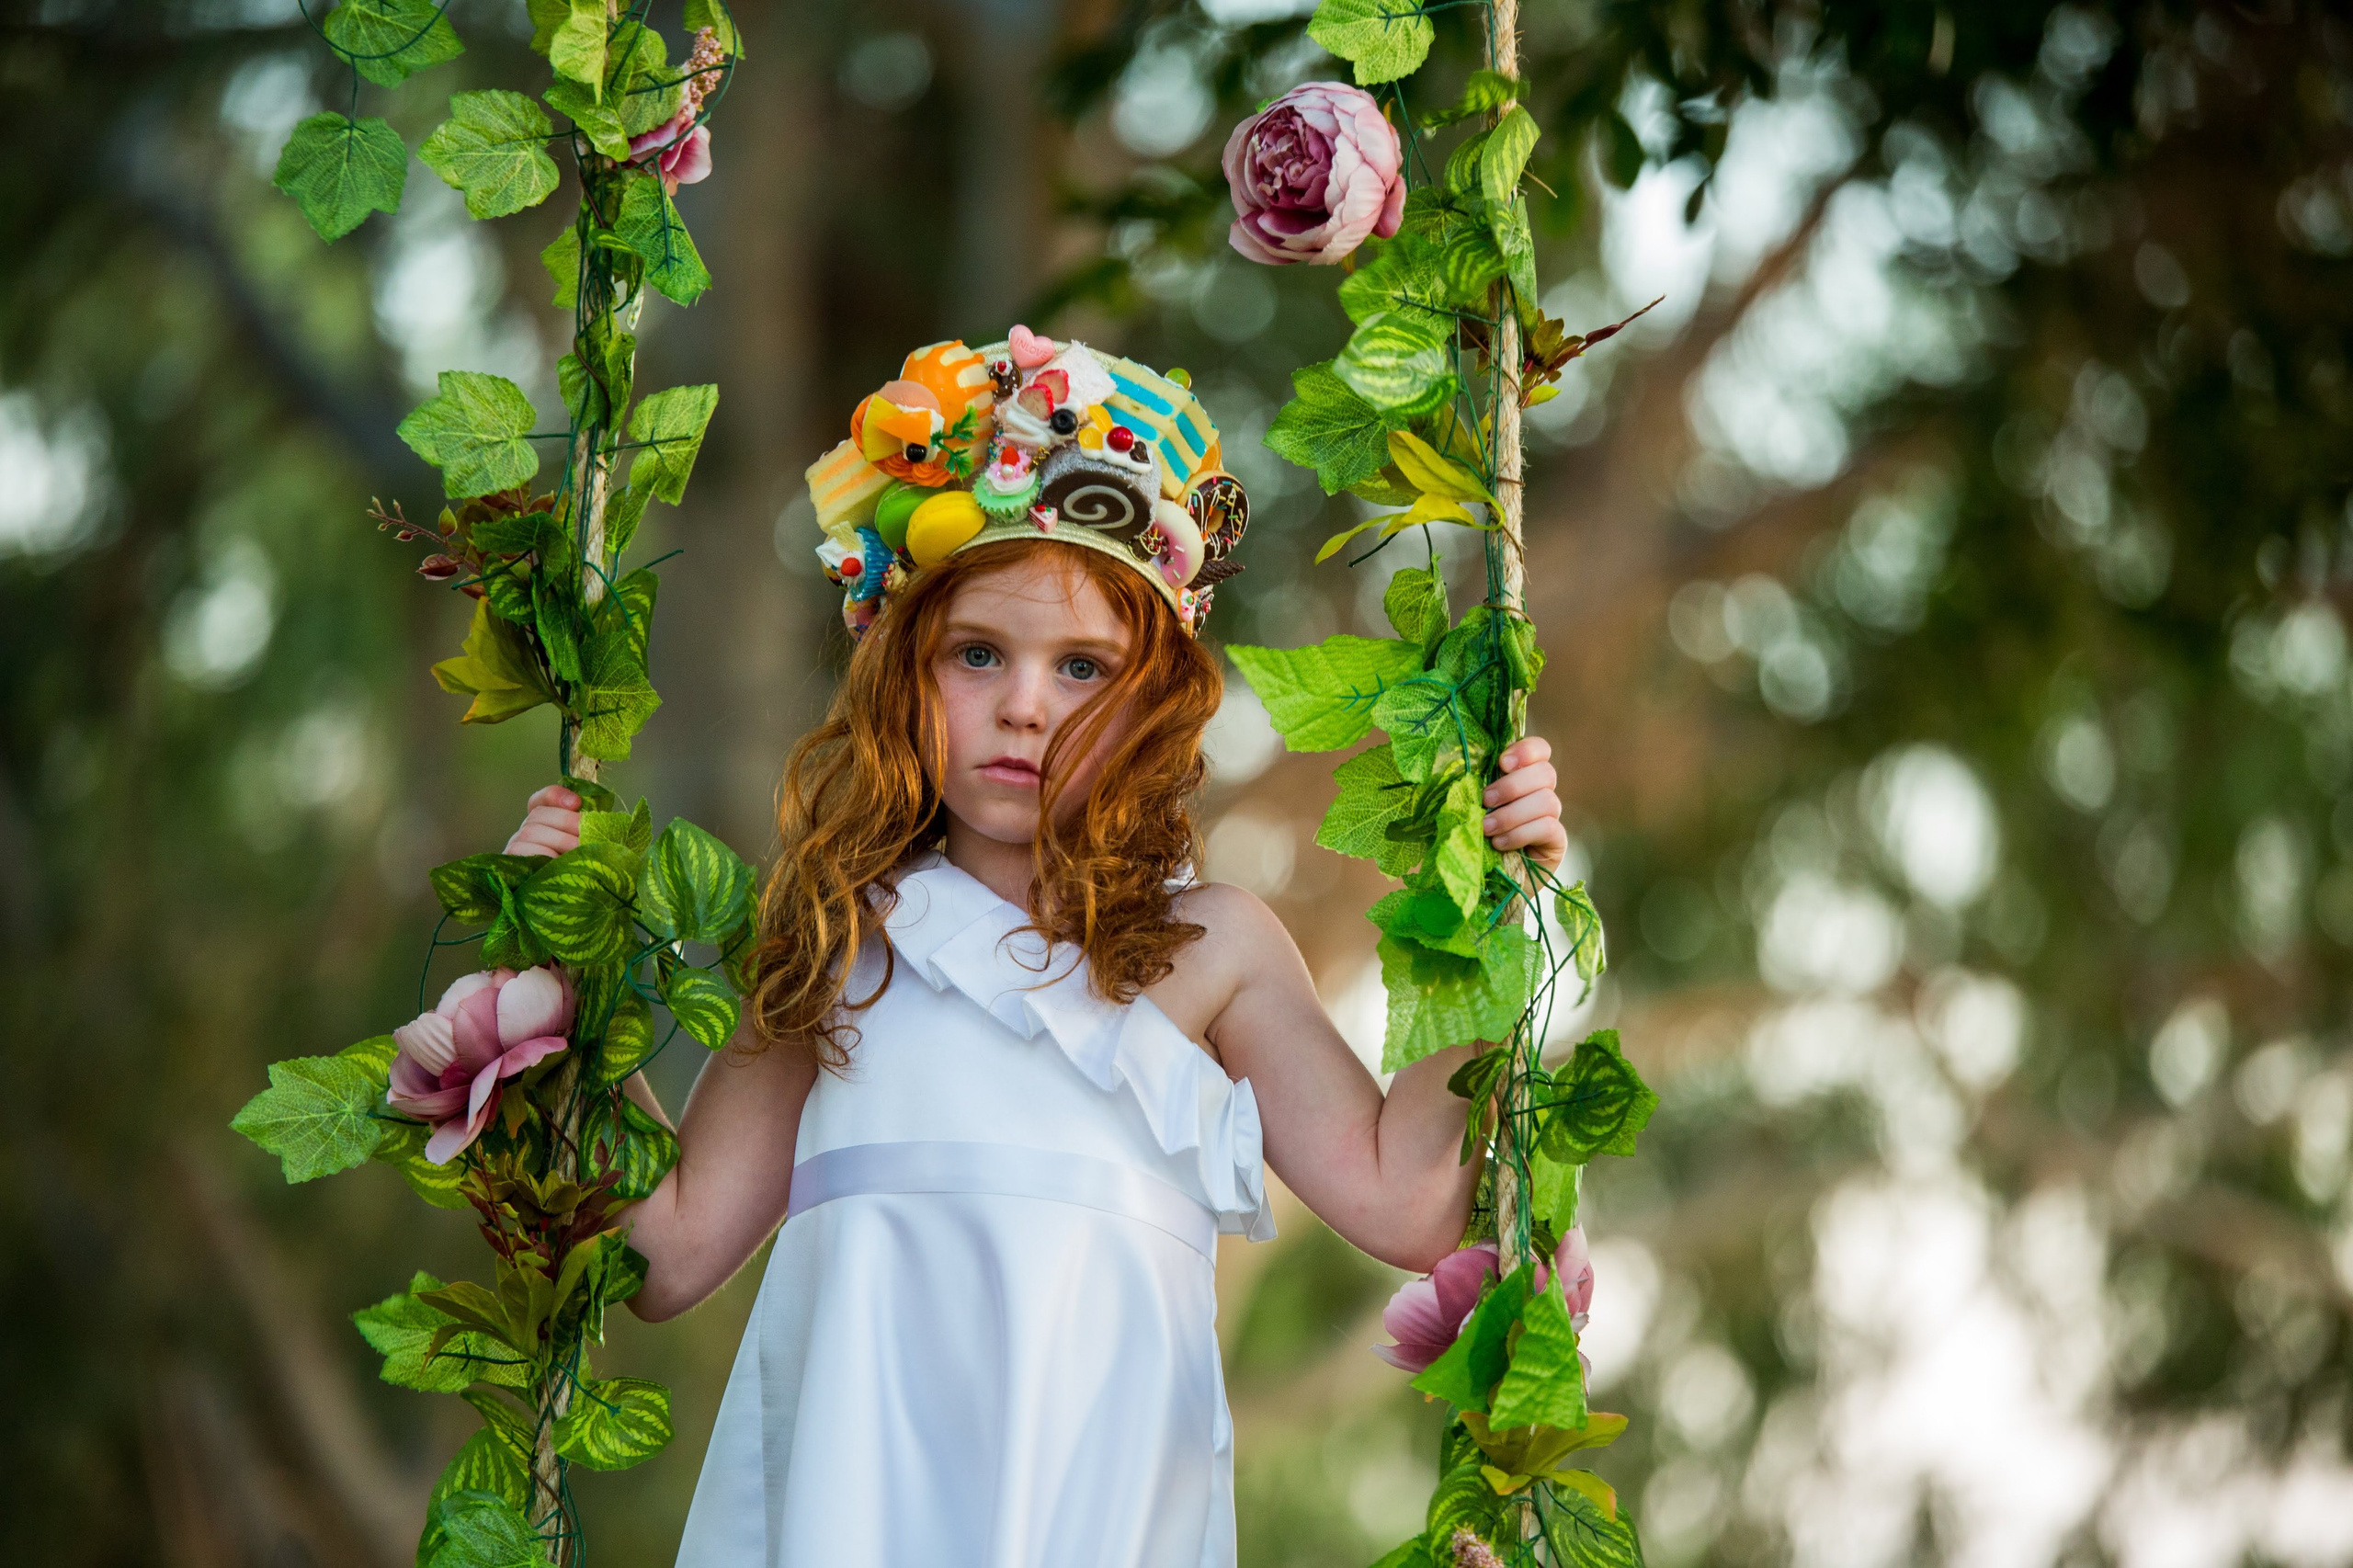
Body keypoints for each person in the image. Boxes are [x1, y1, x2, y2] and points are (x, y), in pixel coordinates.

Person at [500, 332, 1567, 1567]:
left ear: (1151, 699)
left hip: (1095, 1505)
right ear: (903, 673)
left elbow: (1409, 1200)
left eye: (1081, 667)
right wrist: (557, 985)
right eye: (977, 655)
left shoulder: (1210, 949)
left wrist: (1494, 907)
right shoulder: (836, 941)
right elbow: (668, 1248)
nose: (1023, 705)